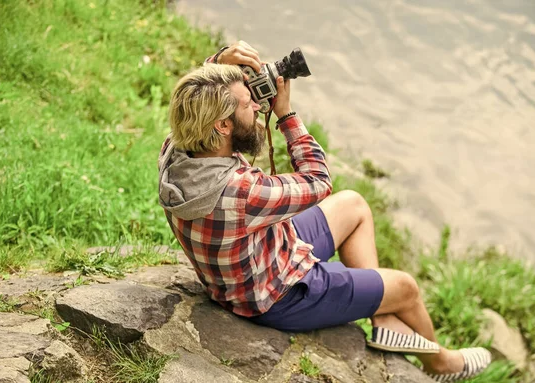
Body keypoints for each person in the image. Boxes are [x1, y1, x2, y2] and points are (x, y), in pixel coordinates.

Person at [158, 40, 491, 382]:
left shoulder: (176, 151)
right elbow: (318, 181)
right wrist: (286, 114)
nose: (258, 106)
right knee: (406, 288)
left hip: (259, 253)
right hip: (276, 294)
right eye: (247, 104)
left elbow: (193, 99)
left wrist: (218, 63)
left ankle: (381, 315)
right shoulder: (243, 192)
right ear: (223, 126)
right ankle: (440, 363)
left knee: (355, 206)